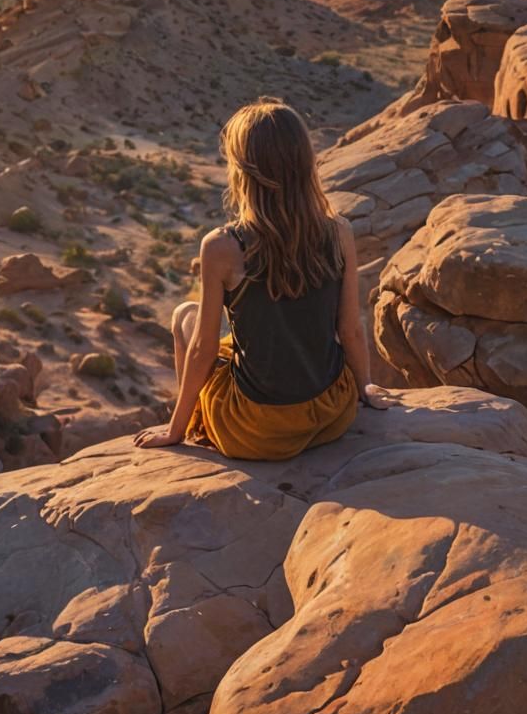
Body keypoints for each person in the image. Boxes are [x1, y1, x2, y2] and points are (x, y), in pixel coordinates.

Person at [134, 97, 388, 459]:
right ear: (305, 163)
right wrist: (365, 389)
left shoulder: (223, 246)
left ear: (243, 171)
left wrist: (173, 430)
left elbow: (202, 349)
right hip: (331, 413)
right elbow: (351, 330)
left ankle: (191, 426)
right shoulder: (338, 231)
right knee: (235, 343)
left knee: (184, 316)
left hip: (257, 429)